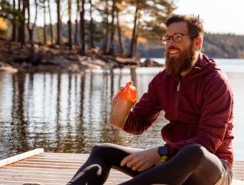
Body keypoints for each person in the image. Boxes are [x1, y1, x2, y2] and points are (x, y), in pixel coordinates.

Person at [67, 14, 234, 185]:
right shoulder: (163, 79)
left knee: (194, 152)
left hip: (212, 169)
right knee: (102, 151)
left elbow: (207, 142)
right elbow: (139, 124)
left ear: (197, 42)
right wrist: (122, 109)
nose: (170, 44)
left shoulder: (216, 82)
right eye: (167, 38)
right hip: (171, 162)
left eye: (177, 37)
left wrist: (161, 152)